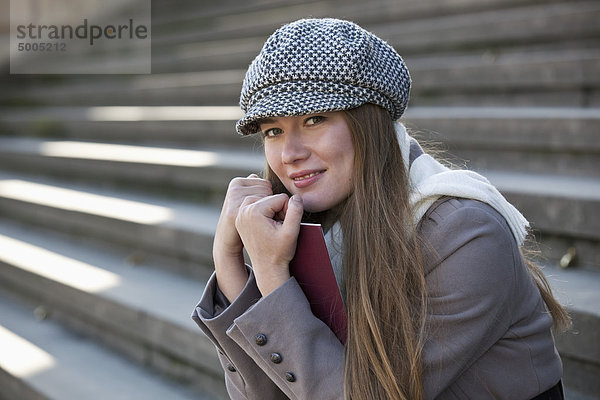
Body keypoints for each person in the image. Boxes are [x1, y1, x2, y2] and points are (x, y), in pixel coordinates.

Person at [192, 18, 569, 400]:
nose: (289, 154)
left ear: (368, 125)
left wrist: (272, 276)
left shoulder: (465, 233)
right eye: (273, 130)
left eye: (314, 119)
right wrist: (228, 260)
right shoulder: (312, 226)